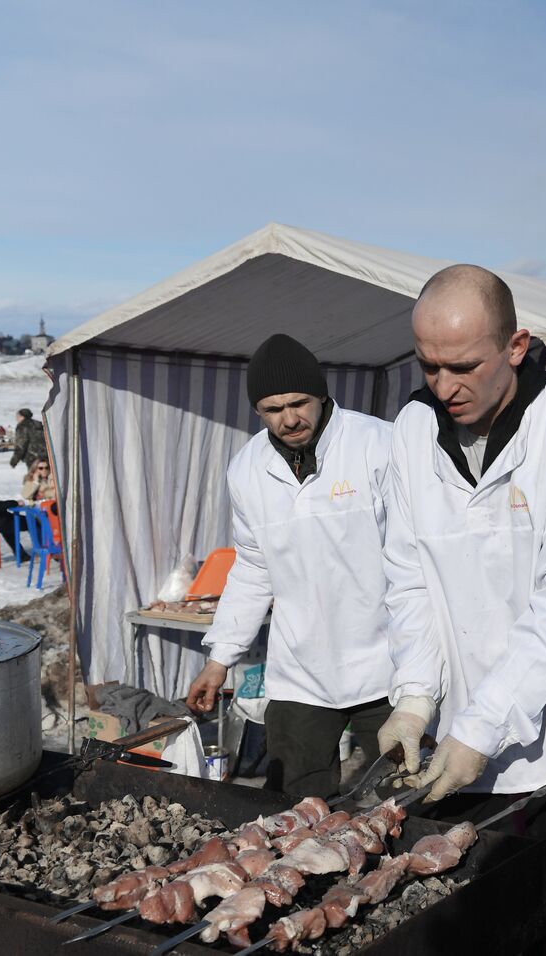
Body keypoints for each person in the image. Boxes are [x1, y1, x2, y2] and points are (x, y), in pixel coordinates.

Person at [377, 265, 546, 951]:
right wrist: (412, 698)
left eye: (463, 366)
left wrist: (482, 725)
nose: (444, 387)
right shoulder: (410, 432)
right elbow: (411, 578)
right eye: (428, 366)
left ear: (516, 347)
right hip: (463, 737)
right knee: (467, 929)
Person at [184, 334, 397, 798]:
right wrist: (220, 658)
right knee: (296, 809)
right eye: (272, 409)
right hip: (301, 669)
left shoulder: (378, 446)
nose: (289, 418)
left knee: (412, 797)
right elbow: (253, 567)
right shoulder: (247, 469)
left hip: (388, 664)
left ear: (321, 394)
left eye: (299, 402)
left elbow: (416, 557)